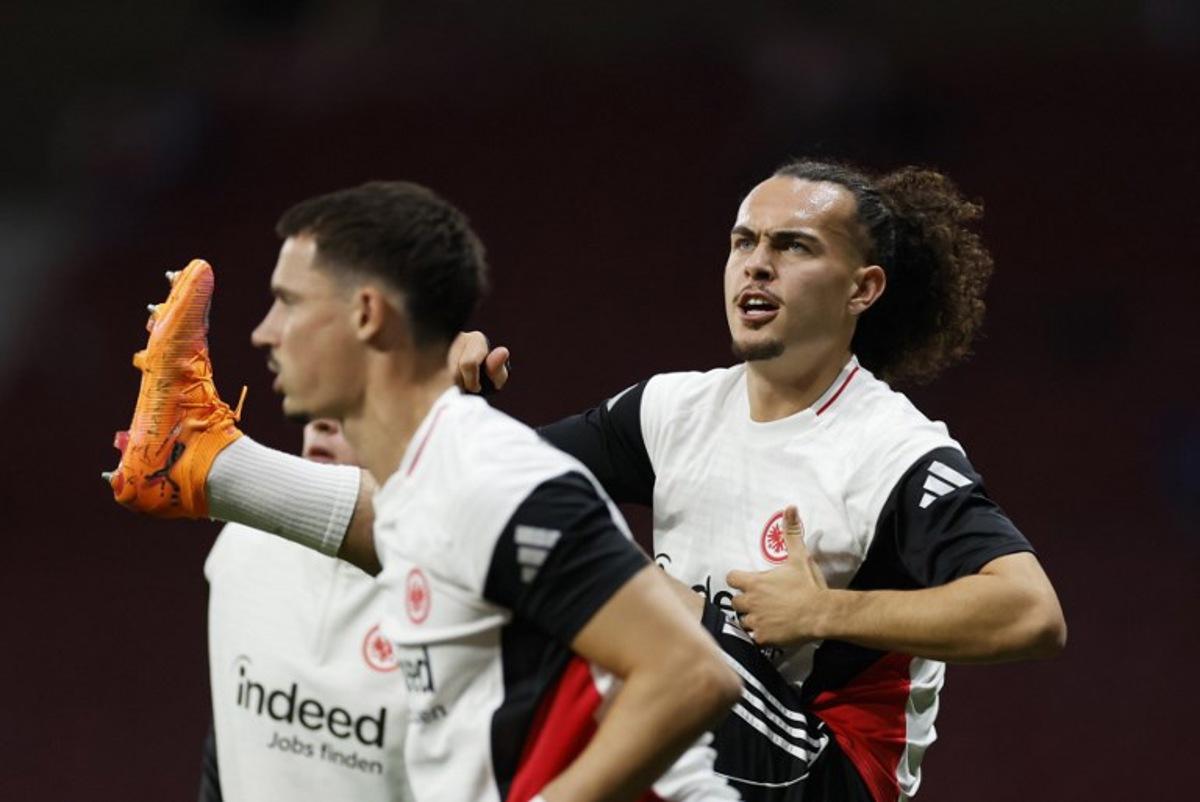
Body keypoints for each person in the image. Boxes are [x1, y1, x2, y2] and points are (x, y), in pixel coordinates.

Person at [105, 181, 742, 802]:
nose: (265, 332)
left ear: (366, 314)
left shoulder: (490, 475)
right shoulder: (426, 483)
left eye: (289, 302)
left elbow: (693, 675)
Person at [200, 418, 416, 801]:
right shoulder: (240, 549)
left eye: (356, 399)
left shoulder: (455, 581)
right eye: (318, 405)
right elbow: (228, 753)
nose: (322, 424)